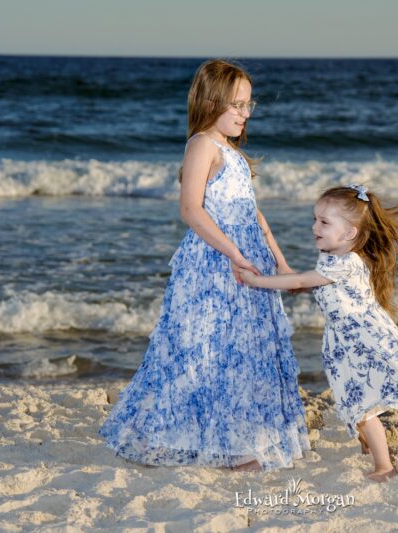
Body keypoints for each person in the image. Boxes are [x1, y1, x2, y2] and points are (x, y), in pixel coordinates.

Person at [98, 59, 310, 472]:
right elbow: (191, 209)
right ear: (211, 102)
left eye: (248, 105)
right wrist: (233, 254)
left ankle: (239, 444)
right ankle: (218, 446)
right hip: (214, 265)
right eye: (237, 105)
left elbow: (255, 215)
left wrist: (281, 263)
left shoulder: (234, 154)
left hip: (248, 265)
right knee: (208, 351)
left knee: (246, 352)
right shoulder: (202, 145)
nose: (245, 113)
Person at [238, 184, 398, 482]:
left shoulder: (347, 262)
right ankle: (369, 443)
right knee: (355, 400)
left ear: (350, 233)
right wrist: (271, 242)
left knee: (362, 407)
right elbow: (306, 282)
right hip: (345, 343)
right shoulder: (331, 258)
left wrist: (256, 282)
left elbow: (300, 280)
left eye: (324, 222)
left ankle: (385, 467)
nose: (315, 227)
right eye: (314, 219)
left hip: (361, 340)